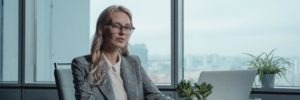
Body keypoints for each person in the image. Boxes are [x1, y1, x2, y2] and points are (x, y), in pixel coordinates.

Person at [71, 5, 173, 100]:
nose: (122, 32)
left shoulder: (133, 62)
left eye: (127, 27)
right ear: (102, 29)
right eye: (116, 26)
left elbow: (153, 94)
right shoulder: (82, 64)